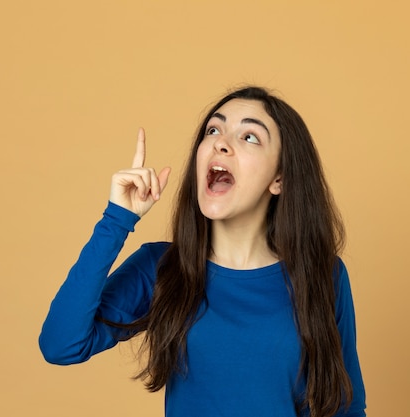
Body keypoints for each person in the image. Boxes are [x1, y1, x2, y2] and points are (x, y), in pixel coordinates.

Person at [39, 86, 366, 417]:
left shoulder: (323, 275)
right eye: (214, 129)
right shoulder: (162, 267)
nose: (220, 142)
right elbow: (62, 344)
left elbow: (344, 406)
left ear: (279, 178)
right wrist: (116, 219)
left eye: (250, 137)